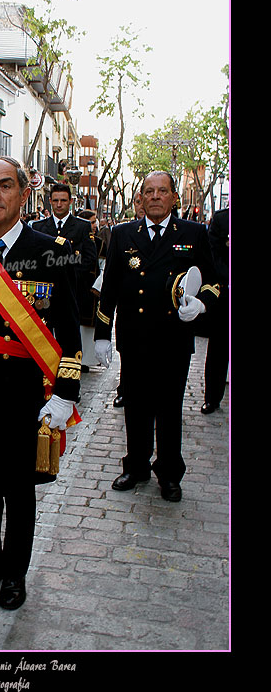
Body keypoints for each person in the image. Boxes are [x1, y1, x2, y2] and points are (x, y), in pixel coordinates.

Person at [0, 156, 82, 611]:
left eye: (6, 186)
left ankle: (15, 575)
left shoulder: (49, 250)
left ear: (24, 194)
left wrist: (66, 394)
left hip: (26, 399)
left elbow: (68, 329)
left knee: (19, 492)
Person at [94, 170, 221, 502]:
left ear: (173, 198)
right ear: (140, 198)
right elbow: (109, 288)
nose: (154, 196)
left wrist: (201, 306)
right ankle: (135, 466)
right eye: (148, 191)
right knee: (135, 407)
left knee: (169, 410)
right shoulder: (122, 234)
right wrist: (102, 334)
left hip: (173, 339)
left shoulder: (193, 233)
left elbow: (214, 281)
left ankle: (168, 473)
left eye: (161, 191)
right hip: (134, 338)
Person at [33, 184, 98, 370]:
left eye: (63, 200)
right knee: (44, 334)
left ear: (70, 202)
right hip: (44, 294)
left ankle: (69, 377)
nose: (59, 204)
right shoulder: (39, 226)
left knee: (69, 336)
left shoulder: (82, 226)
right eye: (55, 200)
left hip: (72, 292)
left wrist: (69, 276)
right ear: (50, 201)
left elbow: (89, 259)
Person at [201, 207, 229, 414]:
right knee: (219, 349)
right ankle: (212, 397)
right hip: (225, 294)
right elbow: (213, 256)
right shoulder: (222, 219)